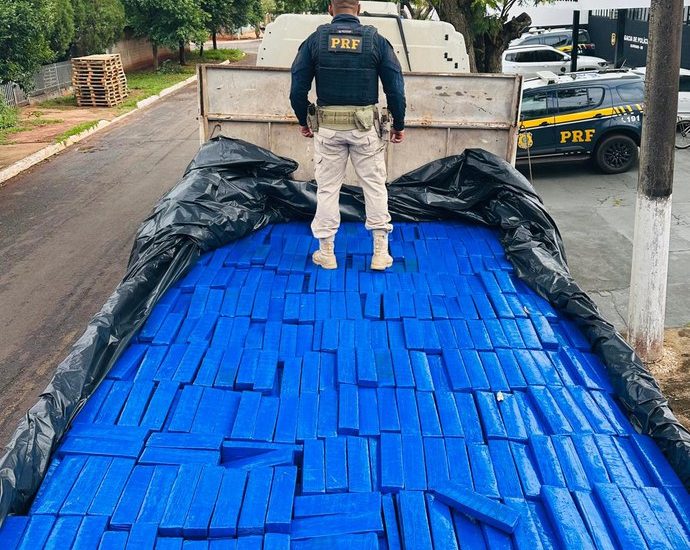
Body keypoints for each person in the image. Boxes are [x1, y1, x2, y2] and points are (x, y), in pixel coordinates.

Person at [290, 0, 406, 271]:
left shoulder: (315, 41)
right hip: (366, 130)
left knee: (328, 189)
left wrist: (304, 120)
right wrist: (398, 125)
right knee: (375, 187)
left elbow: (297, 91)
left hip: (328, 130)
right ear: (359, 8)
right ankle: (380, 253)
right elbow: (395, 89)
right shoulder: (376, 41)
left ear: (330, 8)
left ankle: (326, 253)